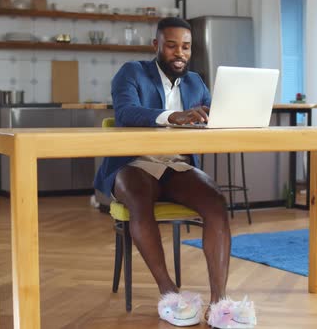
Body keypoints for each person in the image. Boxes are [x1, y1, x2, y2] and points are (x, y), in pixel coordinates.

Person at [94, 17, 257, 328]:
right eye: (171, 46)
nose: (179, 53)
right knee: (140, 199)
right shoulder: (132, 73)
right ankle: (170, 295)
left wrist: (224, 118)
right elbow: (126, 112)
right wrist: (174, 116)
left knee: (215, 202)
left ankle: (219, 303)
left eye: (185, 47)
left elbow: (213, 117)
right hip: (133, 163)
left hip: (176, 165)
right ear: (156, 45)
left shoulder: (196, 82)